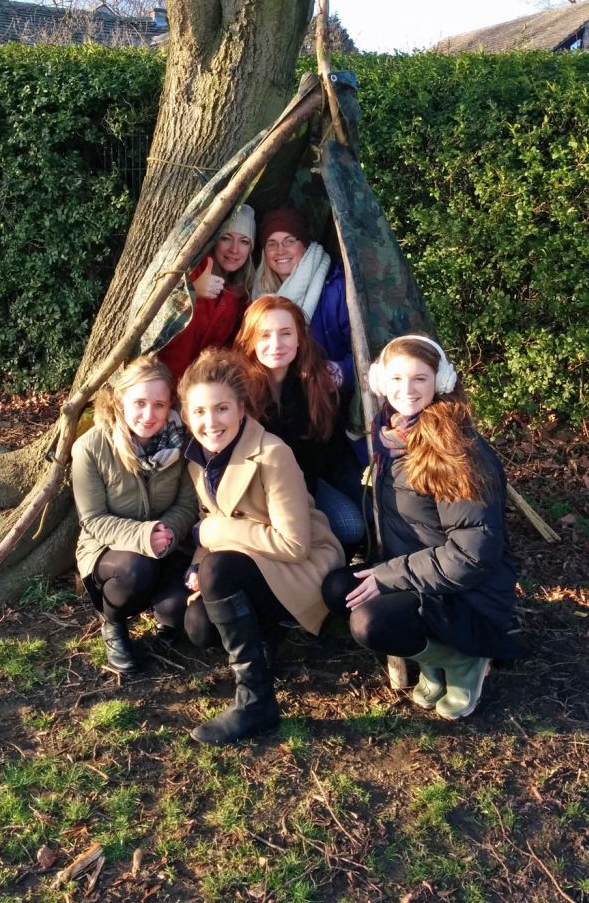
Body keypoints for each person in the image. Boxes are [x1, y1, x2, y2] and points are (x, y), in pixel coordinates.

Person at [322, 335, 520, 720]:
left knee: (369, 622)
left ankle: (464, 660)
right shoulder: (390, 433)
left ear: (440, 382)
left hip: (467, 594)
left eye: (419, 379)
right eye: (396, 379)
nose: (406, 390)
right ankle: (433, 658)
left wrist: (387, 577)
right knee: (337, 589)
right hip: (420, 575)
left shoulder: (456, 452)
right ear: (381, 382)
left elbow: (471, 556)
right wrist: (382, 569)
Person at [178, 347, 345, 745]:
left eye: (221, 409)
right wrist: (197, 563)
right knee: (199, 626)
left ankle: (256, 701)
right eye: (198, 412)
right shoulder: (198, 458)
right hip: (253, 561)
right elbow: (215, 520)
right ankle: (267, 636)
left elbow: (293, 544)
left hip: (303, 565)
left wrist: (211, 540)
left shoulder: (272, 454)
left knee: (220, 571)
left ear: (241, 409)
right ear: (186, 415)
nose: (210, 421)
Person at [71, 357, 198, 673]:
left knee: (176, 612)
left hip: (169, 544)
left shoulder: (183, 443)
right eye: (139, 402)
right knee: (134, 571)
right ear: (120, 401)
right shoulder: (90, 447)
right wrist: (143, 536)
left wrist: (167, 531)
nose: (148, 414)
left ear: (170, 405)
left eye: (158, 404)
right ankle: (113, 623)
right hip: (110, 552)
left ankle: (161, 614)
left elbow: (187, 505)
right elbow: (93, 518)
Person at [233, 295, 365, 548]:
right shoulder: (238, 388)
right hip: (253, 489)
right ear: (250, 339)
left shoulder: (313, 382)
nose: (276, 344)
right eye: (264, 335)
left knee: (352, 524)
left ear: (299, 339)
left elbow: (328, 446)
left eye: (286, 333)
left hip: (304, 484)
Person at [252, 203, 353, 392]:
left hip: (328, 397)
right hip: (277, 394)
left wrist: (339, 371)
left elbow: (365, 352)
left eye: (289, 241)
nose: (280, 250)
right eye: (271, 244)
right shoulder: (258, 293)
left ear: (304, 244)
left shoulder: (335, 286)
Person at [158, 204, 256, 386]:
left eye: (244, 241)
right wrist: (192, 291)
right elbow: (155, 316)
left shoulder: (243, 293)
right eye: (226, 238)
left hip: (200, 391)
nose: (234, 249)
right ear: (214, 241)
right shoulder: (192, 270)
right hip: (165, 384)